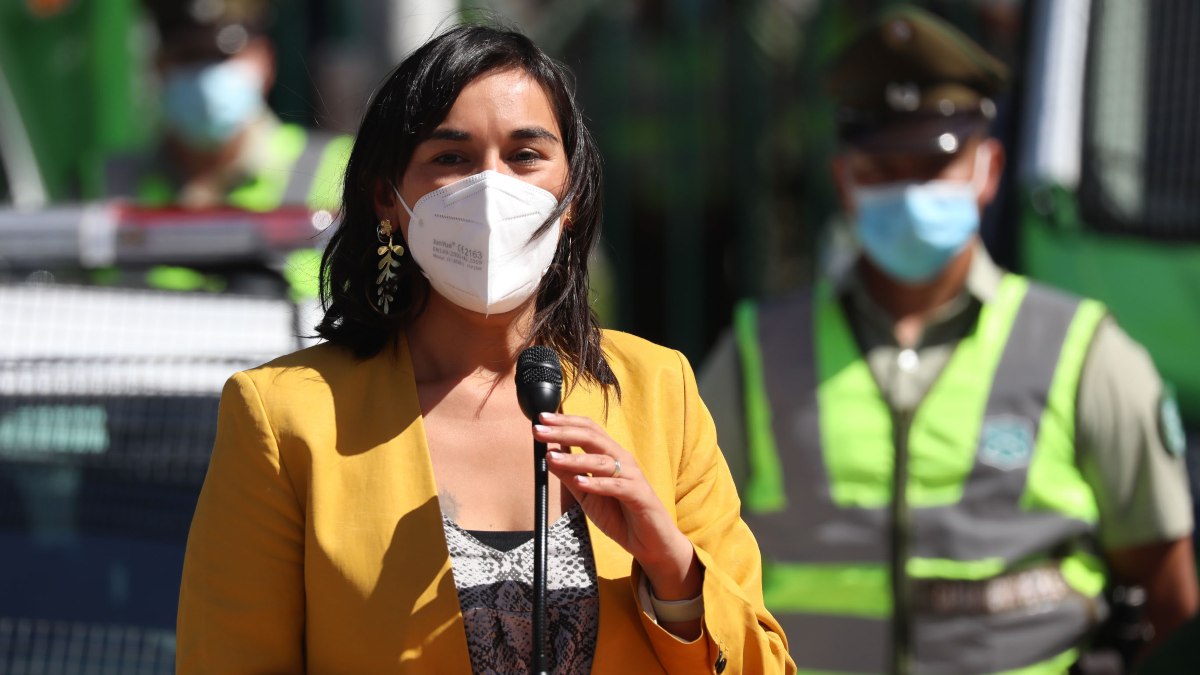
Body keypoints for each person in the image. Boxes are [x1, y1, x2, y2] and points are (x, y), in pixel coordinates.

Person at [176, 24, 793, 674]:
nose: (492, 189)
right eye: (452, 158)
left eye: (526, 155)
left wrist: (673, 571)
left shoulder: (659, 389)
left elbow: (763, 664)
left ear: (572, 195)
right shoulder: (282, 415)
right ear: (388, 197)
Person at [699, 5, 1197, 674]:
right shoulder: (755, 354)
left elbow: (1168, 594)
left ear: (988, 170)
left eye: (932, 165)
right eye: (883, 167)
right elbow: (692, 567)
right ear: (845, 180)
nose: (909, 191)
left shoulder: (1084, 352)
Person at [102, 0, 350, 297]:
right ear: (158, 67)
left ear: (265, 61)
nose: (206, 77)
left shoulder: (343, 169)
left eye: (223, 58)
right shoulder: (104, 184)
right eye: (189, 57)